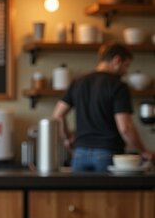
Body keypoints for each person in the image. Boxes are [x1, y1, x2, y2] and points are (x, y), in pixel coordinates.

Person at [52, 42, 154, 172]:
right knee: (107, 193)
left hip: (79, 154)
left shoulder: (78, 83)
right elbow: (125, 128)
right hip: (107, 153)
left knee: (80, 193)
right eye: (126, 65)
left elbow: (58, 115)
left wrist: (67, 138)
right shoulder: (118, 86)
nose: (126, 71)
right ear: (117, 60)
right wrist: (143, 150)